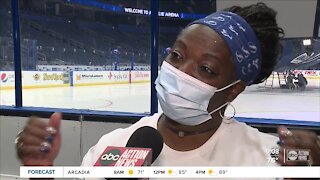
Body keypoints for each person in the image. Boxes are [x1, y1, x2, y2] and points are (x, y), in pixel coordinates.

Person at [15, 2, 320, 178]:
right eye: (176, 55)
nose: (180, 72)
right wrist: (40, 169)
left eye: (206, 69)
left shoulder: (265, 159)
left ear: (233, 90)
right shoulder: (115, 145)